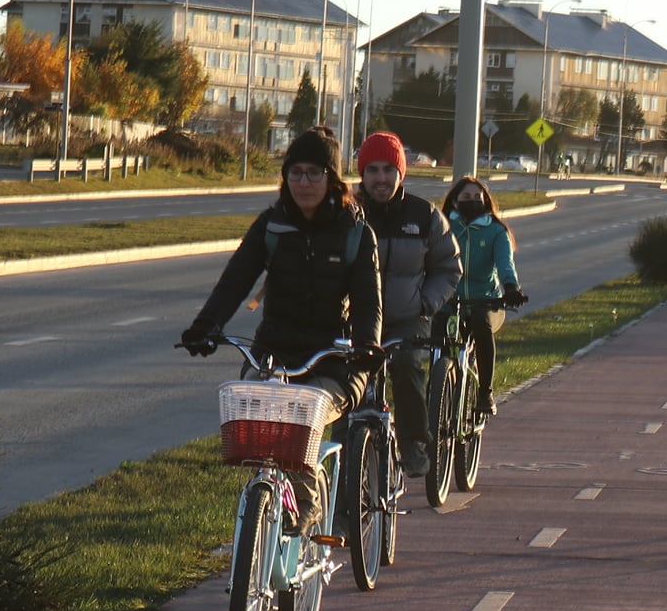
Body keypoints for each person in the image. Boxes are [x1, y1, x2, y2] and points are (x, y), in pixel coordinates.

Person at [181, 129, 381, 531]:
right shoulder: (272, 226)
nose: (303, 183)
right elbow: (235, 281)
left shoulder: (356, 233)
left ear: (332, 180)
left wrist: (366, 346)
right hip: (276, 351)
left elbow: (368, 301)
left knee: (299, 409)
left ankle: (310, 501)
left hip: (336, 359)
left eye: (313, 174)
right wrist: (206, 326)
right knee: (257, 403)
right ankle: (264, 509)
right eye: (295, 173)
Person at [354, 131, 462, 478]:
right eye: (372, 170)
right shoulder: (349, 213)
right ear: (362, 174)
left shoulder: (424, 215)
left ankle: (414, 442)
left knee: (405, 366)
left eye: (388, 169)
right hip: (355, 320)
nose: (380, 178)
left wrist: (425, 305)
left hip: (406, 319)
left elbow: (448, 267)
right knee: (347, 384)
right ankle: (348, 477)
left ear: (401, 172)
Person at [441, 175, 528, 419]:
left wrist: (511, 287)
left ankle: (484, 393)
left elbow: (505, 263)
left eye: (477, 198)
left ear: (485, 201)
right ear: (455, 202)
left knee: (481, 323)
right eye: (466, 197)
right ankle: (437, 389)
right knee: (439, 328)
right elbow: (429, 259)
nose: (471, 201)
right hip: (451, 301)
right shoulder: (445, 226)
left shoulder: (496, 230)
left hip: (488, 302)